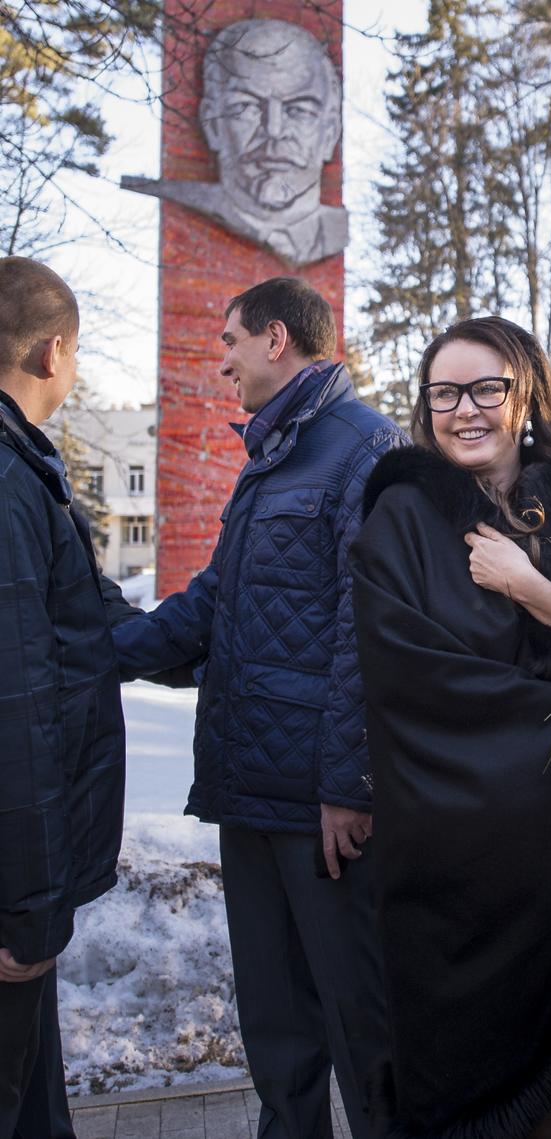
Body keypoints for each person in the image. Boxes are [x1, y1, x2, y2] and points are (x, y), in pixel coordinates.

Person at [349, 316, 551, 1139]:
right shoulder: (401, 516)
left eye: (485, 388)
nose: (465, 410)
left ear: (524, 393)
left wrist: (536, 590)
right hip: (449, 858)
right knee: (461, 1082)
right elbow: (416, 685)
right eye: (444, 392)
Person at [113, 277, 405, 1139]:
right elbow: (217, 605)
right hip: (251, 792)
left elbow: (371, 626)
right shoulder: (271, 455)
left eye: (231, 341)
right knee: (277, 1036)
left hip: (321, 812)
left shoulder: (365, 448)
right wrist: (99, 645)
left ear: (277, 338)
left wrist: (349, 784)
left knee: (365, 1034)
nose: (224, 360)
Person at [0, 258, 126, 1137]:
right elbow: (17, 707)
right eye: (77, 354)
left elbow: (82, 634)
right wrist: (30, 911)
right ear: (53, 352)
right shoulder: (8, 483)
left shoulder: (21, 466)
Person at [123, 19, 346, 267]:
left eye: (299, 110)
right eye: (246, 107)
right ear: (212, 123)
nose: (274, 130)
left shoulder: (336, 231)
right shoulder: (184, 205)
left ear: (330, 133)